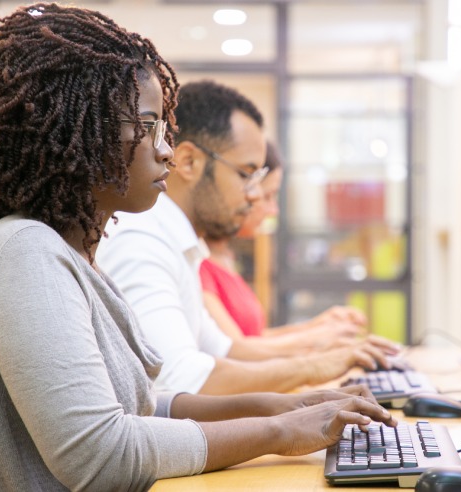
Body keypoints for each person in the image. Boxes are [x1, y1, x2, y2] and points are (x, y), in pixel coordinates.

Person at [0, 4, 396, 490]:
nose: (165, 149)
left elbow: (142, 405)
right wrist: (276, 432)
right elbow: (101, 456)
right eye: (148, 127)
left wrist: (281, 405)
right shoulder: (25, 255)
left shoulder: (69, 255)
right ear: (83, 132)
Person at [97, 80, 401, 396]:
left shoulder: (177, 244)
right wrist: (314, 366)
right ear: (188, 162)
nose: (254, 195)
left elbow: (225, 351)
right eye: (246, 174)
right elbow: (179, 380)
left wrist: (322, 352)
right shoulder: (141, 241)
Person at [200, 140, 376, 354]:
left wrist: (318, 326)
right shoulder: (199, 263)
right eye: (268, 196)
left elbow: (256, 338)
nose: (272, 210)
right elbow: (238, 351)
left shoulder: (224, 258)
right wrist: (317, 340)